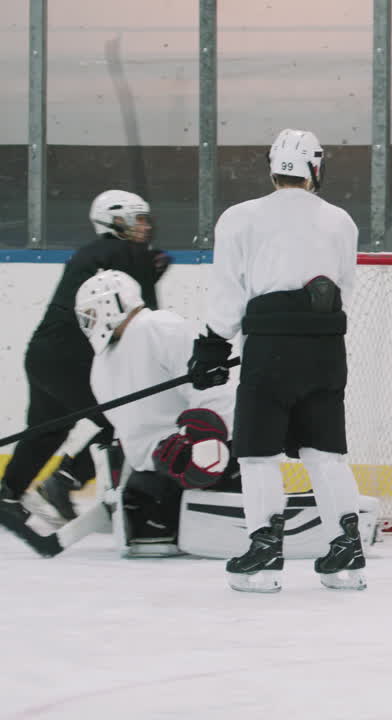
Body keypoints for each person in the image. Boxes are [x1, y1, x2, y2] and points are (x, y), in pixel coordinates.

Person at [188, 128, 365, 593]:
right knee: (324, 452)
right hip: (326, 350)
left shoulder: (240, 218)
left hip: (269, 352)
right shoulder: (341, 221)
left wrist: (214, 344)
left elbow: (228, 289)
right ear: (314, 167)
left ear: (273, 167)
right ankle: (346, 549)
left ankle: (265, 551)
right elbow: (344, 288)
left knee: (258, 453)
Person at [0, 190, 168, 530]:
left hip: (43, 354)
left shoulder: (94, 253)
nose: (144, 226)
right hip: (71, 357)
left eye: (144, 219)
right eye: (136, 219)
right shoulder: (130, 253)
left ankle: (8, 494)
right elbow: (141, 316)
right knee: (123, 420)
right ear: (113, 221)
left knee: (47, 429)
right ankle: (65, 480)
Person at [75, 270, 239, 556]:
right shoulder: (106, 361)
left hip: (179, 468)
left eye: (91, 314)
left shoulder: (153, 328)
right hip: (177, 469)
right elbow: (212, 388)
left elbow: (210, 388)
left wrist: (207, 442)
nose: (89, 324)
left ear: (113, 303)